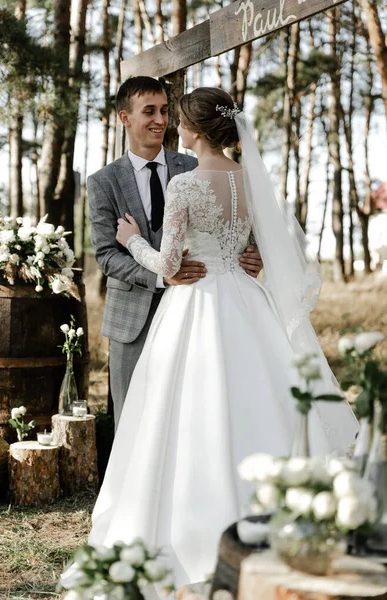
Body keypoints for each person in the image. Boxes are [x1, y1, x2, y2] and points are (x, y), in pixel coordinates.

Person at [89, 88, 358, 588]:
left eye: (178, 120)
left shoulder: (187, 184)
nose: (172, 127)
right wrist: (247, 254)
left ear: (194, 130)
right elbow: (261, 242)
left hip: (196, 302)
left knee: (193, 409)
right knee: (259, 400)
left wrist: (133, 241)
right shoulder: (249, 182)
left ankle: (197, 525)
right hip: (244, 299)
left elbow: (169, 265)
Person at [87, 77, 263, 428]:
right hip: (132, 320)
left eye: (166, 111)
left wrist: (254, 255)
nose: (161, 119)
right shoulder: (102, 181)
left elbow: (246, 231)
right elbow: (106, 254)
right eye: (149, 111)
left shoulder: (192, 167)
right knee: (134, 425)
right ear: (125, 118)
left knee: (202, 415)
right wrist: (161, 276)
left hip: (205, 314)